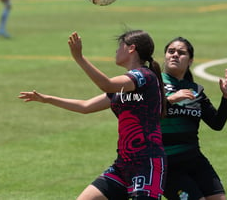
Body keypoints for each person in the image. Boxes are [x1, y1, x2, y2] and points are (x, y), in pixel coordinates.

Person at [19, 30, 167, 200]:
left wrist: (79, 58)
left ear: (131, 48)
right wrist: (47, 99)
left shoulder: (144, 76)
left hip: (146, 163)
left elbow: (107, 84)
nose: (116, 51)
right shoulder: (123, 88)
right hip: (123, 164)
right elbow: (86, 106)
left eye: (120, 46)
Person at [160, 37, 227, 200]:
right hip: (167, 164)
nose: (175, 55)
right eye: (171, 51)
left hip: (194, 160)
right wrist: (169, 100)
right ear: (165, 56)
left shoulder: (195, 90)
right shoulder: (153, 83)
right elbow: (144, 112)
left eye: (181, 53)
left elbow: (217, 124)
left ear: (190, 61)